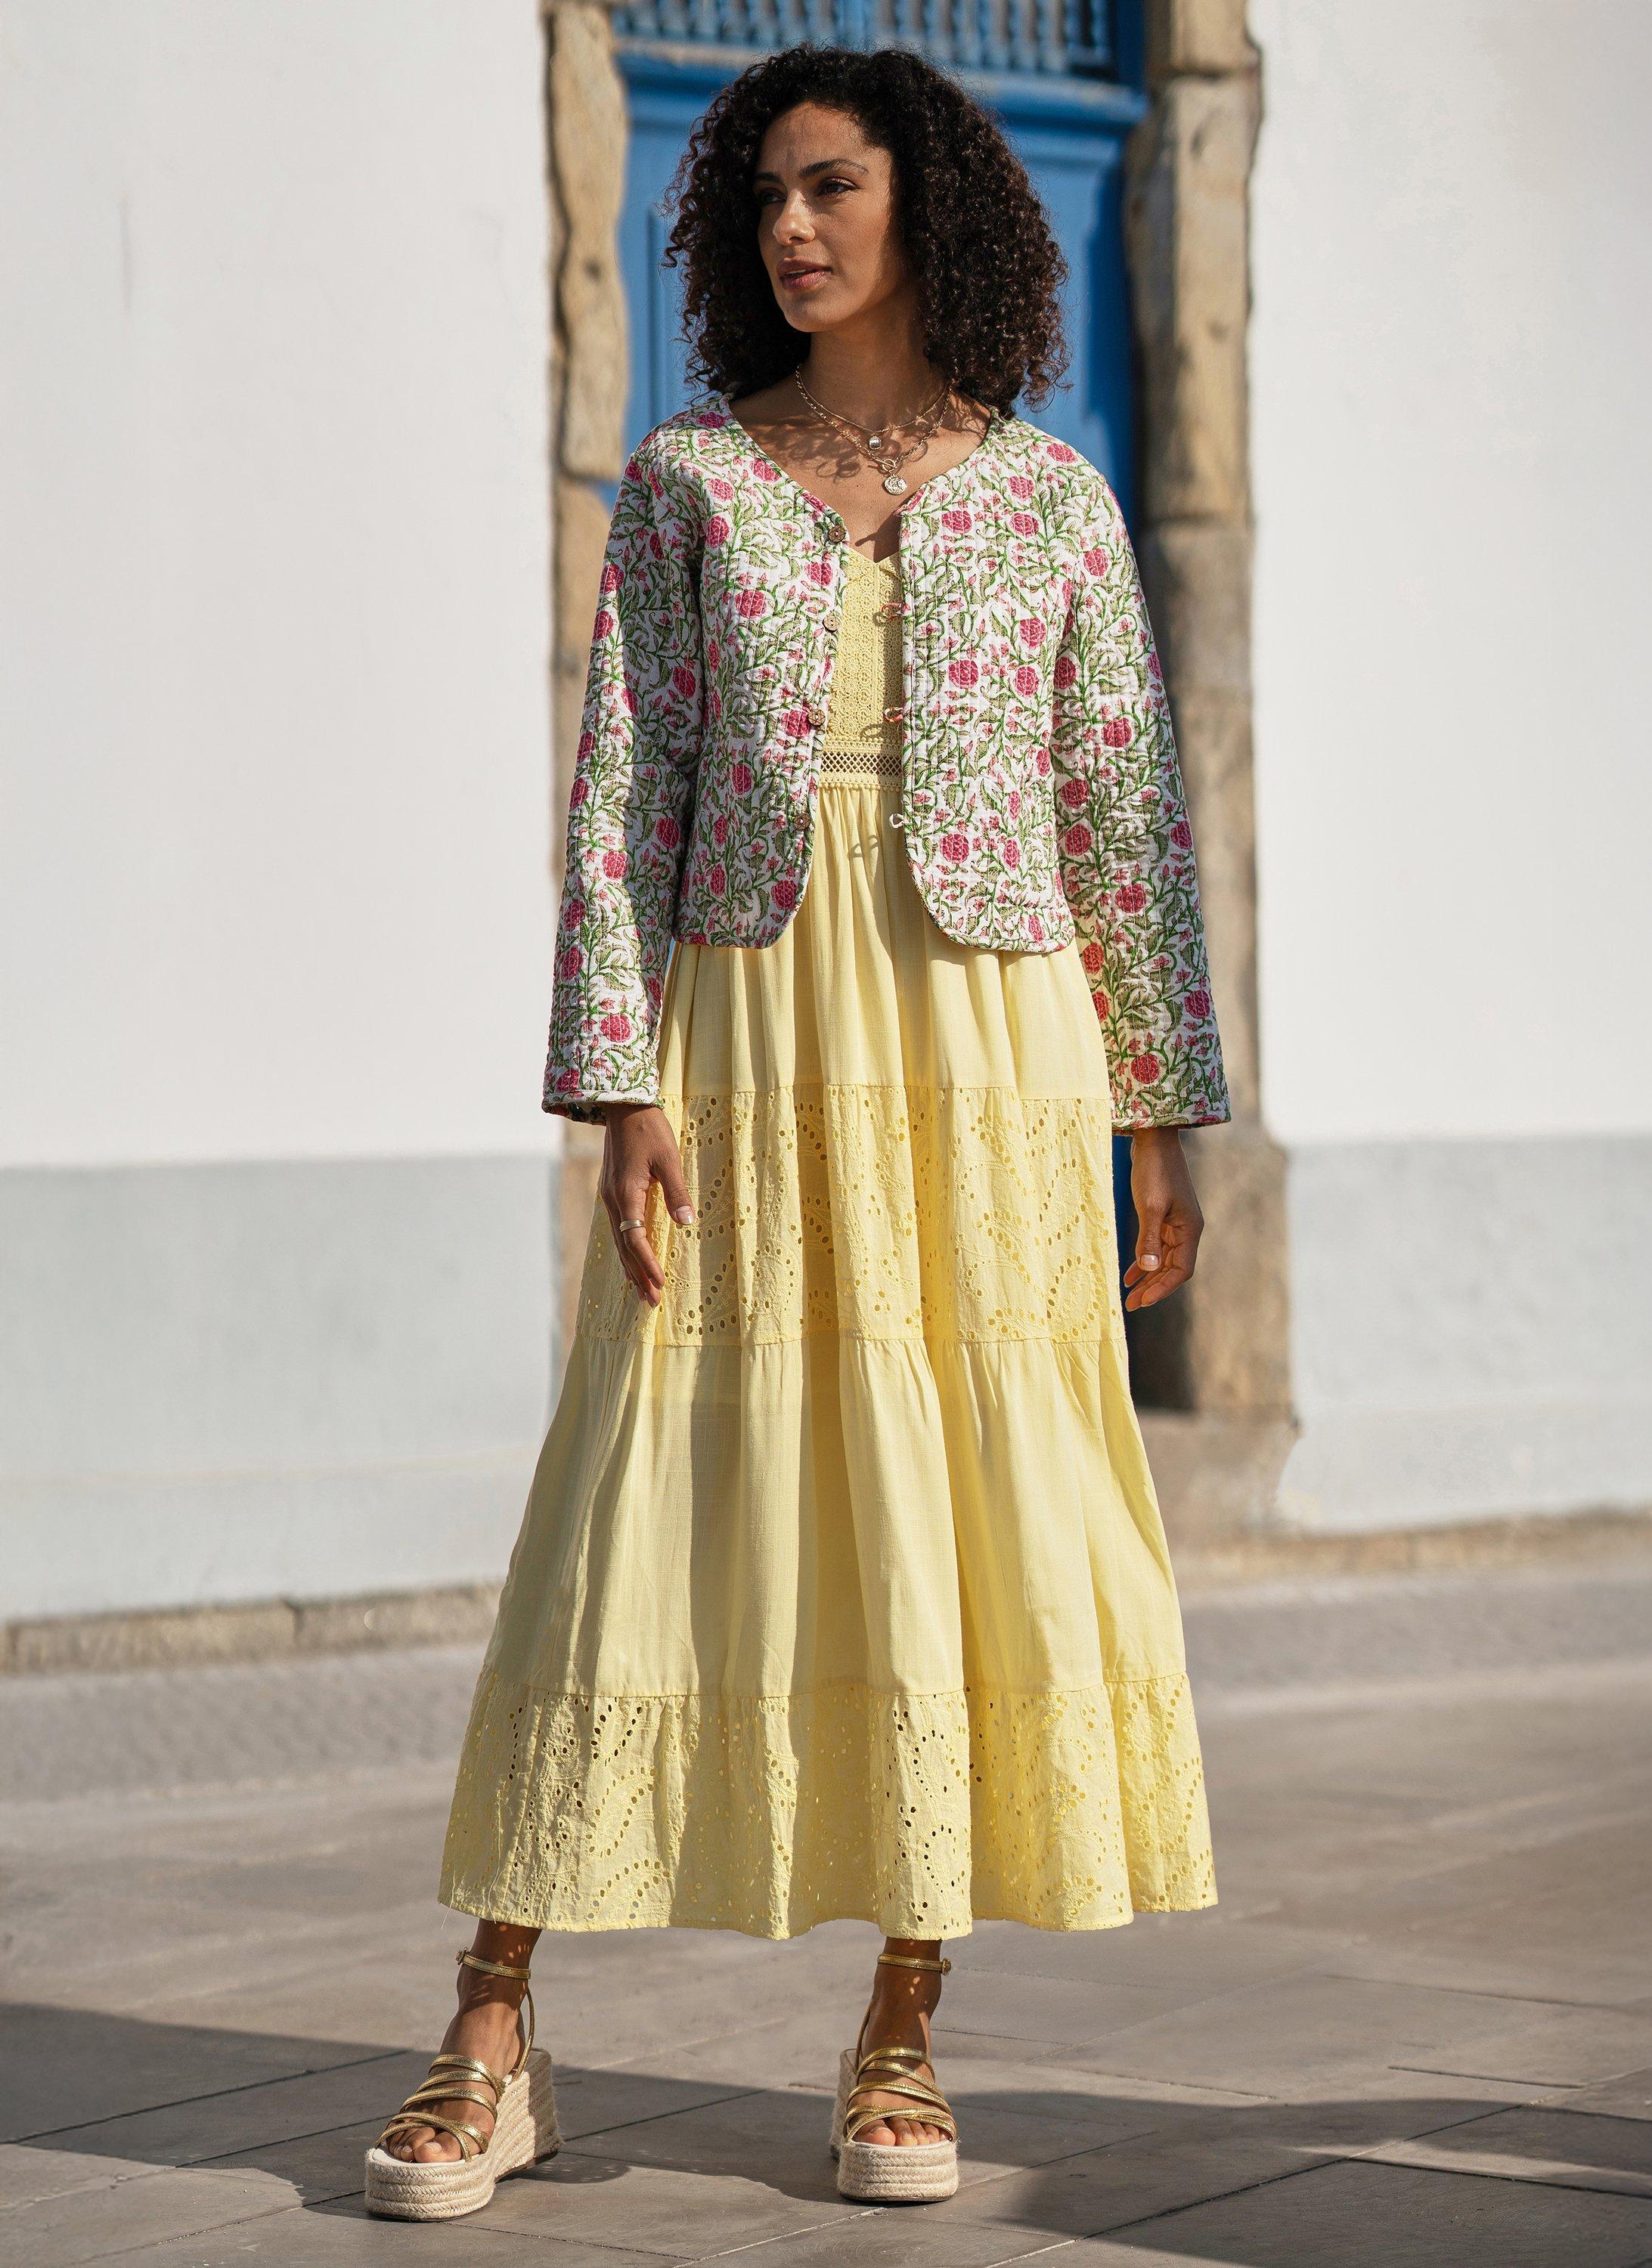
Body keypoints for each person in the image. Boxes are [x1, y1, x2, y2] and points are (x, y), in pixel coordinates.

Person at [365, 39, 1229, 2223]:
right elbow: (620, 793)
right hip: (743, 1023)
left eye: (829, 185)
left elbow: (1126, 819)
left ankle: (904, 2026)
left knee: (962, 1501)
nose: (787, 226)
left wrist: (1158, 1118)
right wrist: (621, 1081)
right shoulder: (686, 479)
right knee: (635, 1483)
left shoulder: (1053, 500)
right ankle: (490, 2020)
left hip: (993, 1037)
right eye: (759, 195)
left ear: (927, 201)